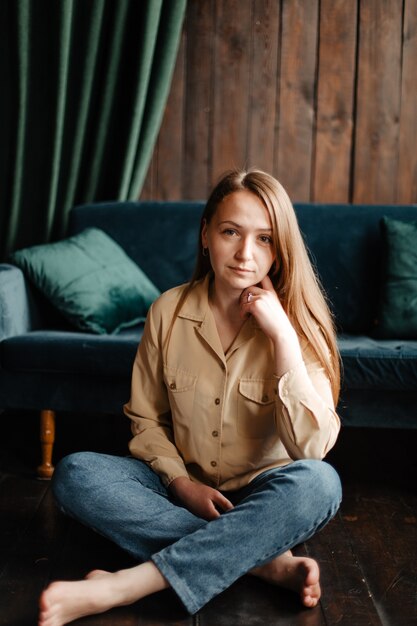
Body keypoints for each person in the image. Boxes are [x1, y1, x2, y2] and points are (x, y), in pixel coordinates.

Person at [39, 169, 342, 626]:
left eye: (264, 239)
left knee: (321, 483)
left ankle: (125, 585)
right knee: (76, 473)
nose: (245, 254)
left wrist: (281, 337)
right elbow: (145, 420)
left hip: (265, 496)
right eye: (230, 232)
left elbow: (311, 449)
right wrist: (181, 483)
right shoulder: (167, 311)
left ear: (280, 251)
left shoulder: (301, 327)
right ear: (206, 234)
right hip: (177, 488)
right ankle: (263, 560)